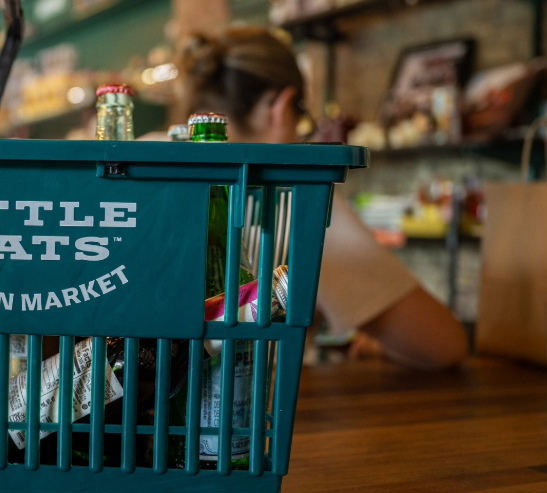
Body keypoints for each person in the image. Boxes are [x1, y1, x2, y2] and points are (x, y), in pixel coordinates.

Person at [175, 27, 467, 370]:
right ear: (281, 108)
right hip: (238, 413)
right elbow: (445, 345)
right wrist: (377, 344)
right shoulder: (296, 197)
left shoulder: (136, 159)